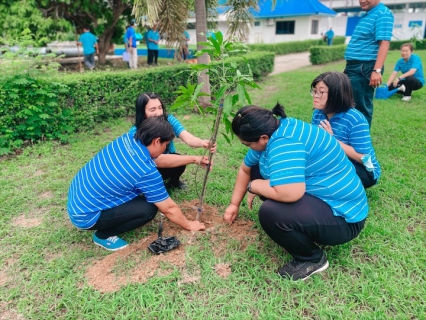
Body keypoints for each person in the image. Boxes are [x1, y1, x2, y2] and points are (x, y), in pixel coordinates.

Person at [224, 104, 368, 281]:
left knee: (271, 212)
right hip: (322, 198)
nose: (248, 148)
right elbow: (246, 169)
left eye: (248, 144)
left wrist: (254, 186)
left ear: (263, 138)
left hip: (344, 219)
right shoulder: (277, 128)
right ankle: (296, 228)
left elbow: (290, 193)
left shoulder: (285, 144)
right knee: (256, 170)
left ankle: (313, 259)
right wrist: (233, 204)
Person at [67, 116, 206, 251]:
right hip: (86, 215)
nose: (165, 148)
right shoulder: (144, 170)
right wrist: (189, 225)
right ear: (157, 141)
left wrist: (194, 159)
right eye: (166, 144)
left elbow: (161, 160)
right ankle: (103, 235)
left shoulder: (128, 139)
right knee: (148, 209)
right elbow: (168, 208)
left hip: (78, 195)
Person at [129, 92, 216, 190]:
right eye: (152, 110)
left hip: (168, 162)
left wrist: (202, 142)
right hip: (147, 169)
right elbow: (155, 160)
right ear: (142, 112)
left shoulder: (169, 120)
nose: (158, 113)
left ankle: (174, 182)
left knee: (179, 161)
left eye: (160, 107)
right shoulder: (135, 133)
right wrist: (194, 159)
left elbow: (188, 137)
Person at [310, 72, 381, 189]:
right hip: (335, 161)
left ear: (336, 94)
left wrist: (332, 140)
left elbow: (363, 157)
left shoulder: (355, 118)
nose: (315, 96)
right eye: (314, 91)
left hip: (362, 169)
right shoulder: (318, 114)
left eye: (321, 92)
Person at [344, 0, 394, 128]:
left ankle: (361, 144)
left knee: (360, 107)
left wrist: (376, 70)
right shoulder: (369, 13)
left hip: (364, 67)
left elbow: (384, 43)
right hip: (355, 67)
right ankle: (351, 137)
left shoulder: (382, 13)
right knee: (348, 103)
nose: (362, 0)